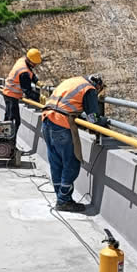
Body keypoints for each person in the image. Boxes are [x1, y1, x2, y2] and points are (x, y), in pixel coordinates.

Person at [41, 74, 106, 213]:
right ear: (98, 85)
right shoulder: (89, 89)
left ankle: (61, 197)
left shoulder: (72, 81)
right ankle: (64, 201)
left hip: (47, 120)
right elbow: (93, 118)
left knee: (56, 162)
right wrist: (105, 123)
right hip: (61, 123)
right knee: (72, 162)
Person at [2, 48, 42, 135]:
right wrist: (39, 98)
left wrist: (36, 81)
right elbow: (27, 91)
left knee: (8, 118)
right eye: (35, 63)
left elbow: (30, 72)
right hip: (11, 95)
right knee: (14, 121)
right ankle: (9, 142)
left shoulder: (23, 60)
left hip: (8, 93)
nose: (35, 65)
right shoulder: (23, 73)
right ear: (30, 61)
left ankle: (6, 140)